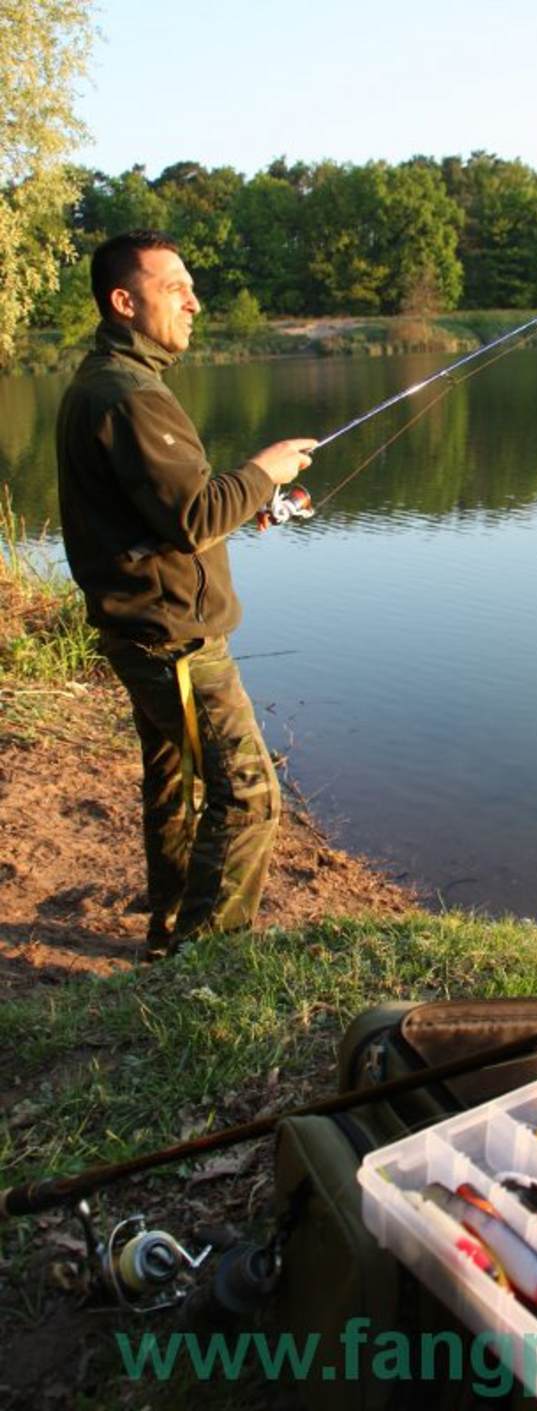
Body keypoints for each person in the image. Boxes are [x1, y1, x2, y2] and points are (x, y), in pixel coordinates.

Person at [56, 229, 316, 958]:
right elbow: (196, 514)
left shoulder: (111, 380)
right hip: (174, 643)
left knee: (172, 784)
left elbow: (176, 512)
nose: (194, 303)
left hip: (142, 629)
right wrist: (263, 469)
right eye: (176, 288)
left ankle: (169, 930)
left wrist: (248, 501)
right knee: (249, 797)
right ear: (123, 300)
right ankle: (208, 959)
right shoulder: (130, 394)